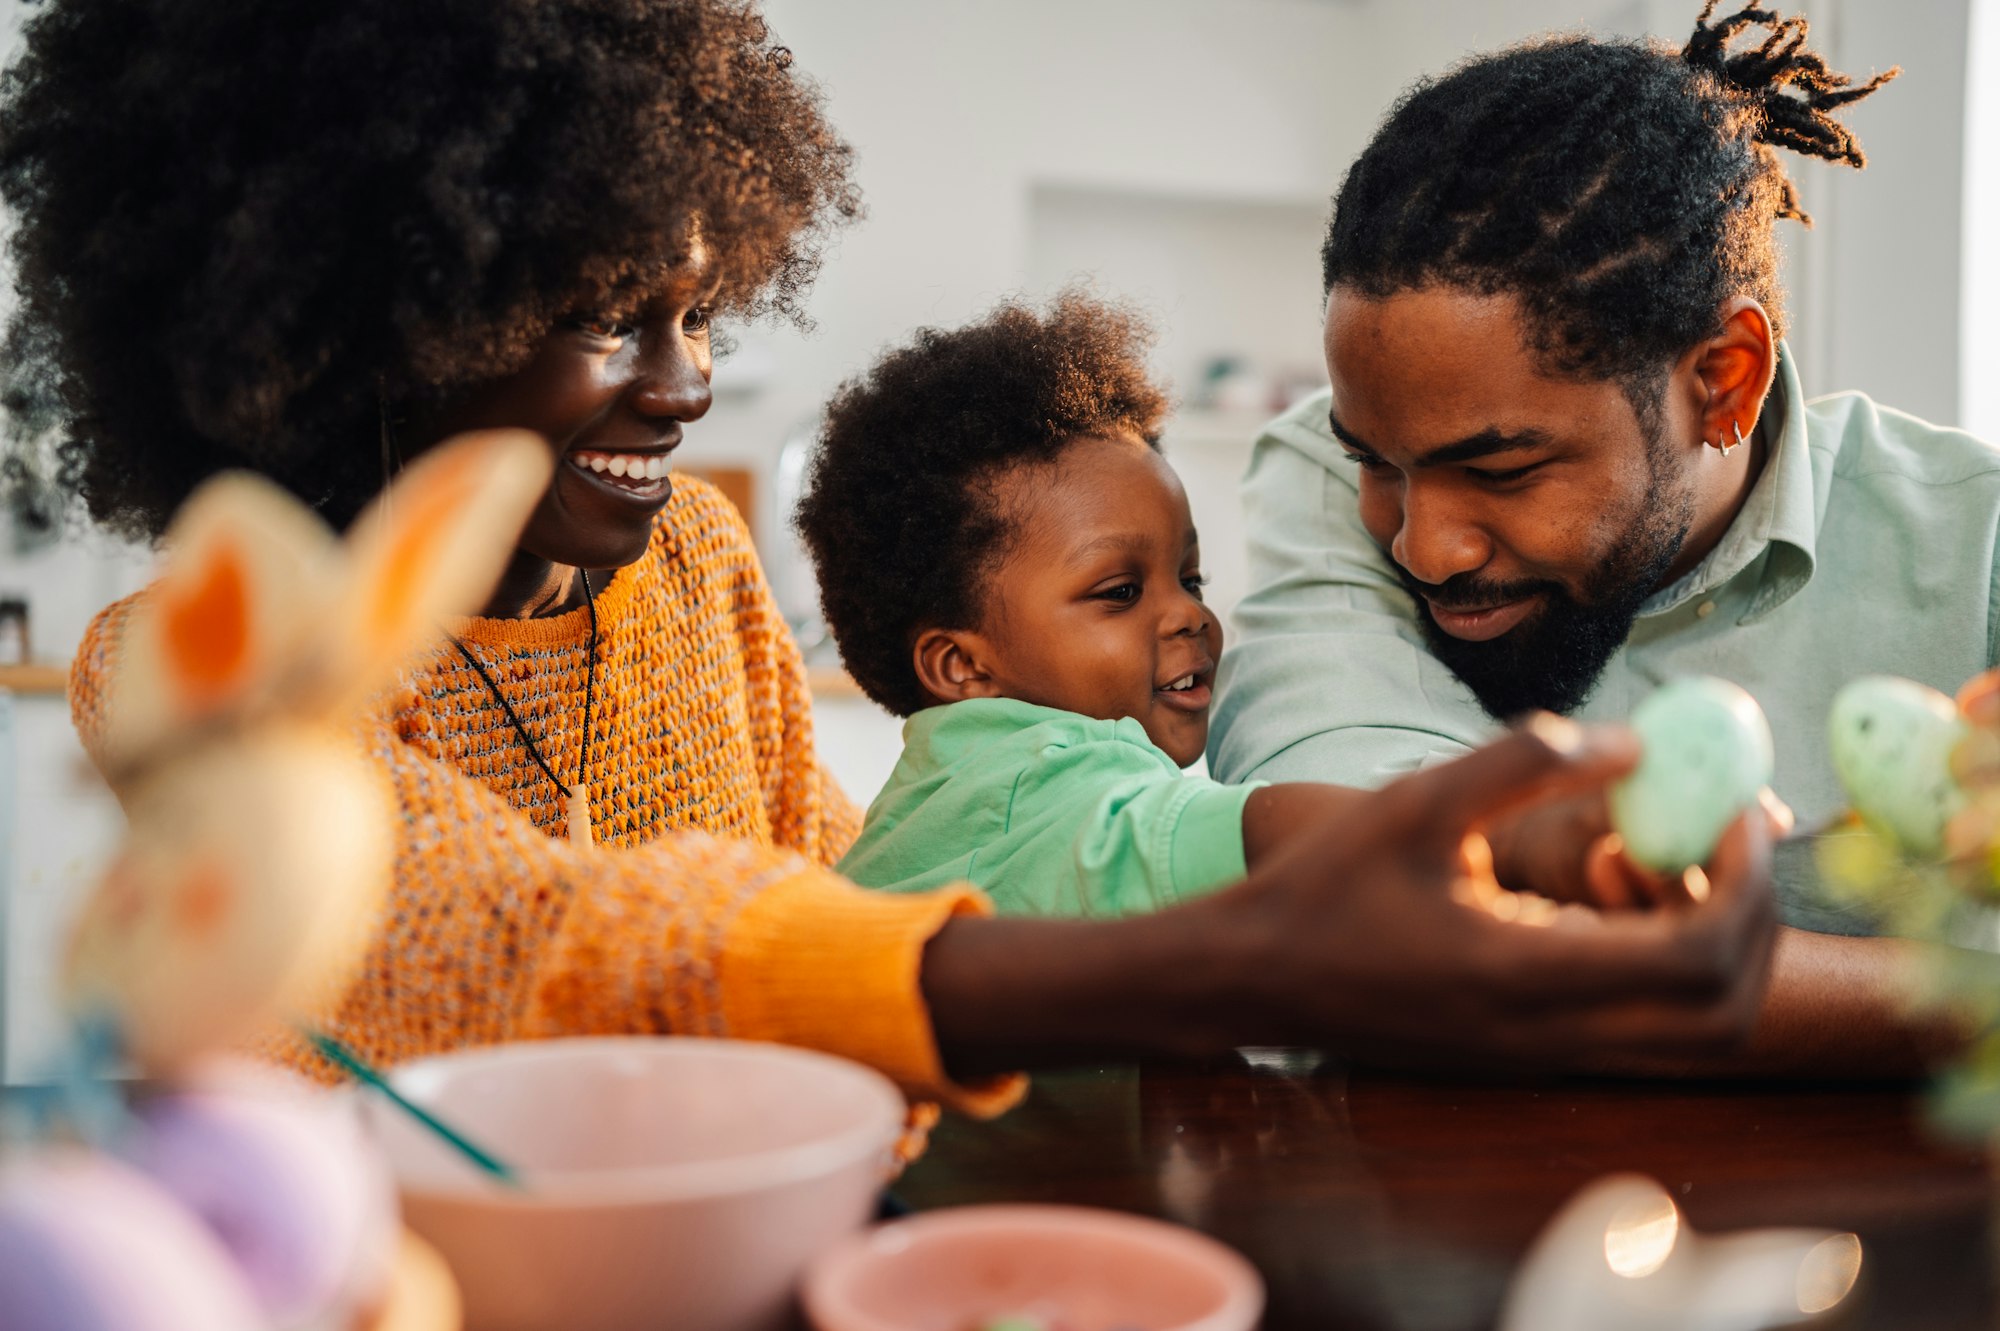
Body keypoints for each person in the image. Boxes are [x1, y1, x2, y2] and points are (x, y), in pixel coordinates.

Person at [6, 0, 1776, 1101]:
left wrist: (1070, 845)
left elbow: (833, 875)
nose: (687, 381)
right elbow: (536, 933)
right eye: (606, 317)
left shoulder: (691, 565)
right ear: (378, 319)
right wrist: (1231, 951)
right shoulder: (188, 668)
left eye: (697, 310)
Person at [1207, 2, 1991, 1070]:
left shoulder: (1973, 547)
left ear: (1723, 379)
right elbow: (1375, 916)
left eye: (1501, 469)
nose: (1422, 548)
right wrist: (1948, 990)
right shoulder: (1309, 461)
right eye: (1377, 464)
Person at [800, 291, 1644, 919]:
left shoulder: (951, 788)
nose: (1190, 618)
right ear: (962, 666)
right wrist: (1510, 835)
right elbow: (1259, 833)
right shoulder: (1030, 781)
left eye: (1190, 579)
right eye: (1120, 593)